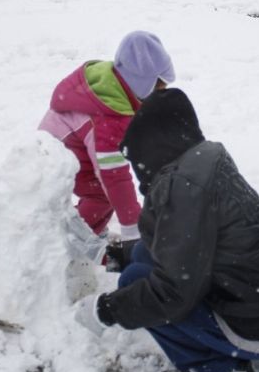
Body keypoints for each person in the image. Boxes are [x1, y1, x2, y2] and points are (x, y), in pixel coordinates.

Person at [74, 89, 259, 372]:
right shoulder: (204, 159)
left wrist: (106, 310)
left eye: (139, 163)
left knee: (135, 281)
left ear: (149, 150)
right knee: (142, 258)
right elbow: (172, 243)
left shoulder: (183, 187)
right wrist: (110, 254)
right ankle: (215, 350)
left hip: (256, 331)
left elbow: (171, 293)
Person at [39, 31, 175, 248]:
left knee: (104, 193)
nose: (159, 95)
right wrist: (132, 228)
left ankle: (83, 233)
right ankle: (72, 244)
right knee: (102, 195)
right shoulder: (108, 116)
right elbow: (114, 175)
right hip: (58, 152)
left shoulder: (111, 83)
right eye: (155, 89)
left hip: (64, 141)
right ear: (140, 84)